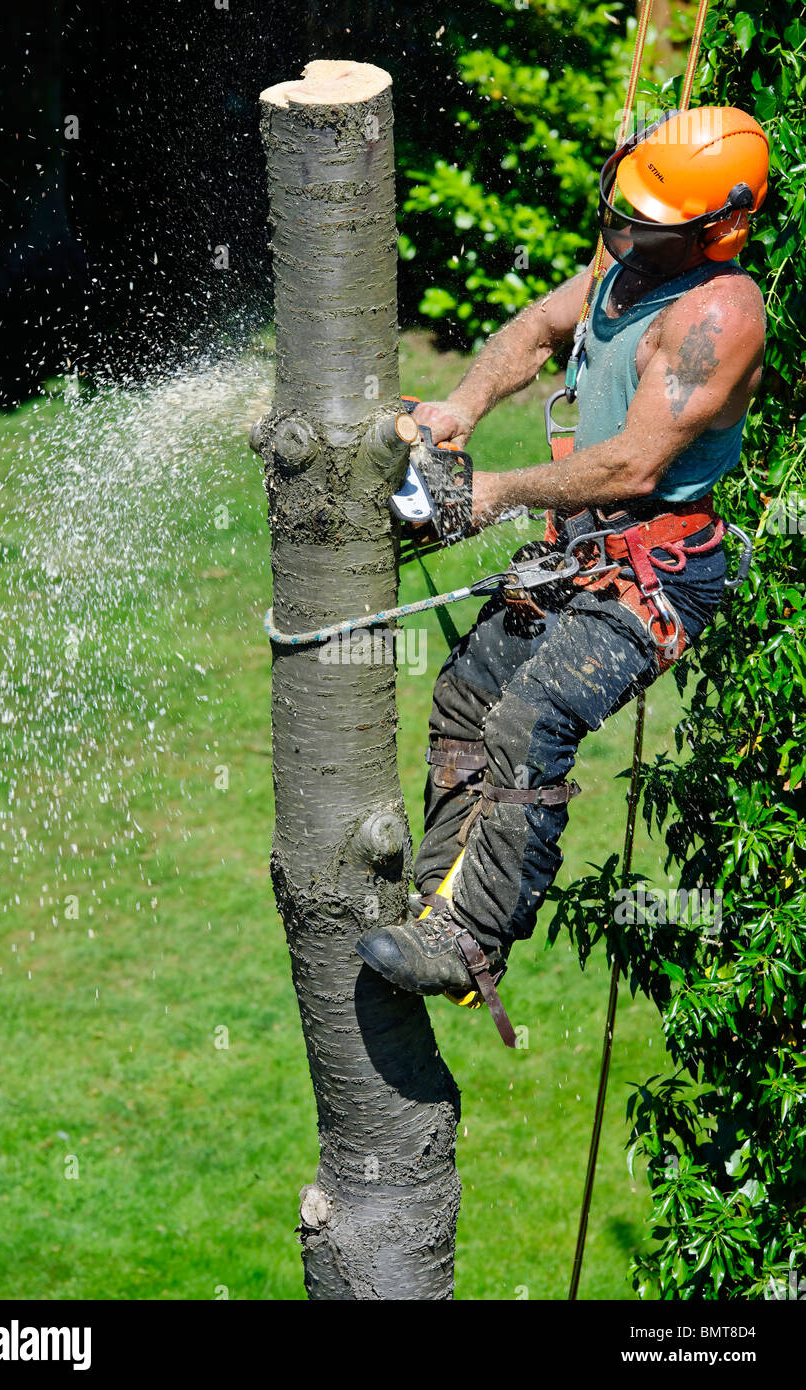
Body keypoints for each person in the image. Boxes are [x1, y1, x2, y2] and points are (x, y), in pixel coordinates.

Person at [356, 106, 770, 1043]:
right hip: (582, 545)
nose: (622, 235)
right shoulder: (626, 266)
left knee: (532, 717)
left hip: (662, 564)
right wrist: (462, 404)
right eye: (620, 211)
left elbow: (634, 466)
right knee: (467, 694)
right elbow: (542, 329)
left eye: (646, 224)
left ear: (720, 227)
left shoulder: (720, 312)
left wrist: (491, 489)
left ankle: (470, 942)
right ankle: (438, 896)